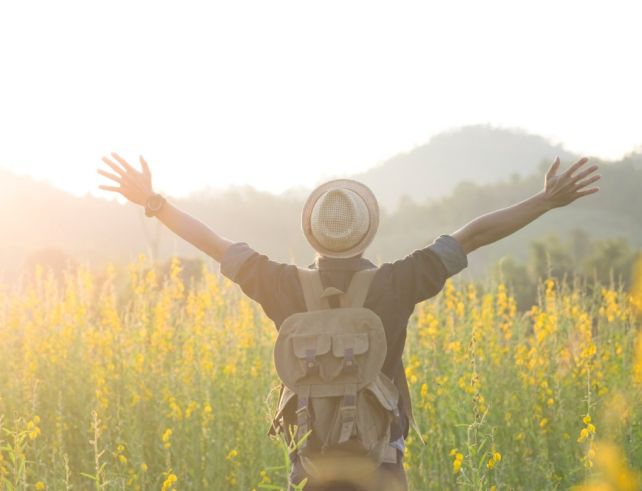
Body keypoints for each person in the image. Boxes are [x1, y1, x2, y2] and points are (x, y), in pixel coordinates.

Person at [97, 153, 600, 490]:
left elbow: (211, 242)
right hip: (381, 465)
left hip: (312, 464)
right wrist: (545, 200)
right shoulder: (398, 282)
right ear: (369, 231)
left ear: (312, 233)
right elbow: (472, 235)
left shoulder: (281, 284)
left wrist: (154, 203)